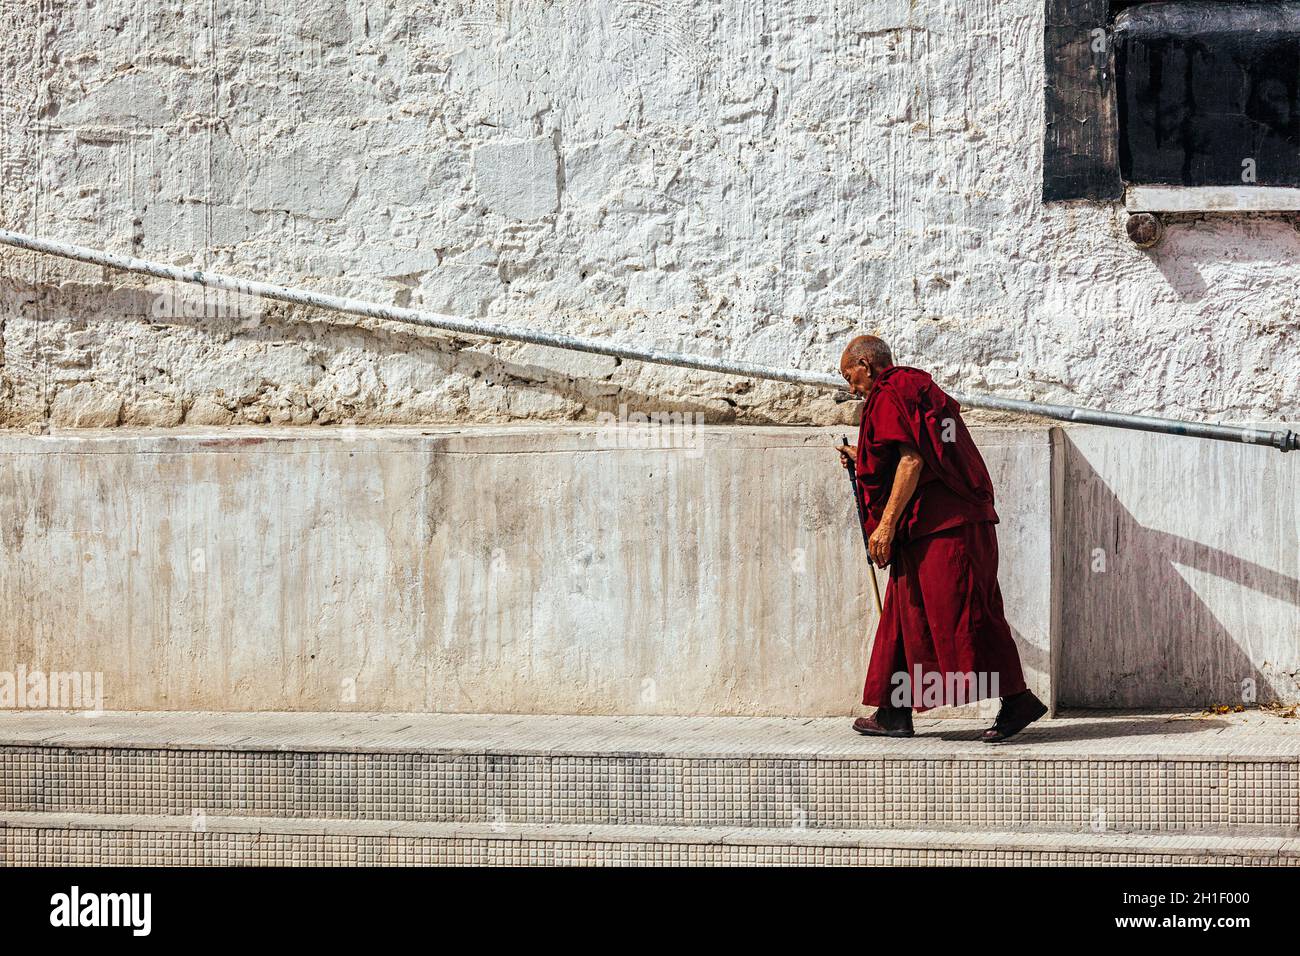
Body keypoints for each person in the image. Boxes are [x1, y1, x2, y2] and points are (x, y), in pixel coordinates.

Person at [835, 335, 1047, 742]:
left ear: (865, 363)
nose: (850, 387)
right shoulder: (913, 391)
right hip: (931, 527)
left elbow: (913, 460)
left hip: (949, 526)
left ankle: (1018, 699)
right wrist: (861, 456)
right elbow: (913, 452)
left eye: (850, 375)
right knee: (904, 614)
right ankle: (893, 711)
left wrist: (886, 525)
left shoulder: (892, 392)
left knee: (968, 614)